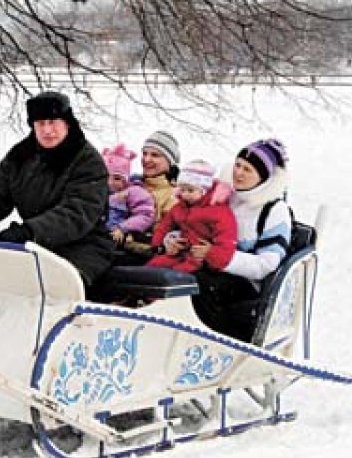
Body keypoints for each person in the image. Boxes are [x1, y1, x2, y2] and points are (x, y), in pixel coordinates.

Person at [0, 91, 114, 293]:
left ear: (67, 123)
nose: (47, 130)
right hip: (35, 245)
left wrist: (29, 232)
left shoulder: (87, 162)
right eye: (40, 123)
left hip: (83, 247)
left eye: (53, 122)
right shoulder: (21, 157)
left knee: (51, 287)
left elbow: (76, 213)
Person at [189, 138, 293, 342]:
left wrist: (219, 256)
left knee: (199, 283)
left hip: (246, 285)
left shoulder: (274, 210)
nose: (238, 173)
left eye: (247, 169)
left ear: (263, 177)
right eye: (237, 165)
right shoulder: (224, 196)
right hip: (209, 267)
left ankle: (212, 342)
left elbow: (267, 264)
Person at [145, 159, 237, 273]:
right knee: (153, 266)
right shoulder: (180, 207)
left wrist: (213, 255)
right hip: (181, 251)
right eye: (182, 190)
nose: (185, 194)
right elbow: (165, 225)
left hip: (200, 256)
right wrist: (157, 244)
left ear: (203, 190)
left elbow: (226, 238)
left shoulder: (218, 211)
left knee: (177, 274)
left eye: (190, 190)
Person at [115, 130, 180, 262]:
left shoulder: (174, 195)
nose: (146, 159)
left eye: (155, 155)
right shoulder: (131, 185)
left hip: (141, 256)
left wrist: (128, 236)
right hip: (113, 246)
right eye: (144, 153)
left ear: (170, 161)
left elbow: (163, 236)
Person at [103, 143, 156, 243]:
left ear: (126, 179)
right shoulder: (96, 190)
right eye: (106, 177)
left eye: (117, 178)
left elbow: (145, 215)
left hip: (115, 238)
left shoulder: (134, 192)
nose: (110, 182)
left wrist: (123, 227)